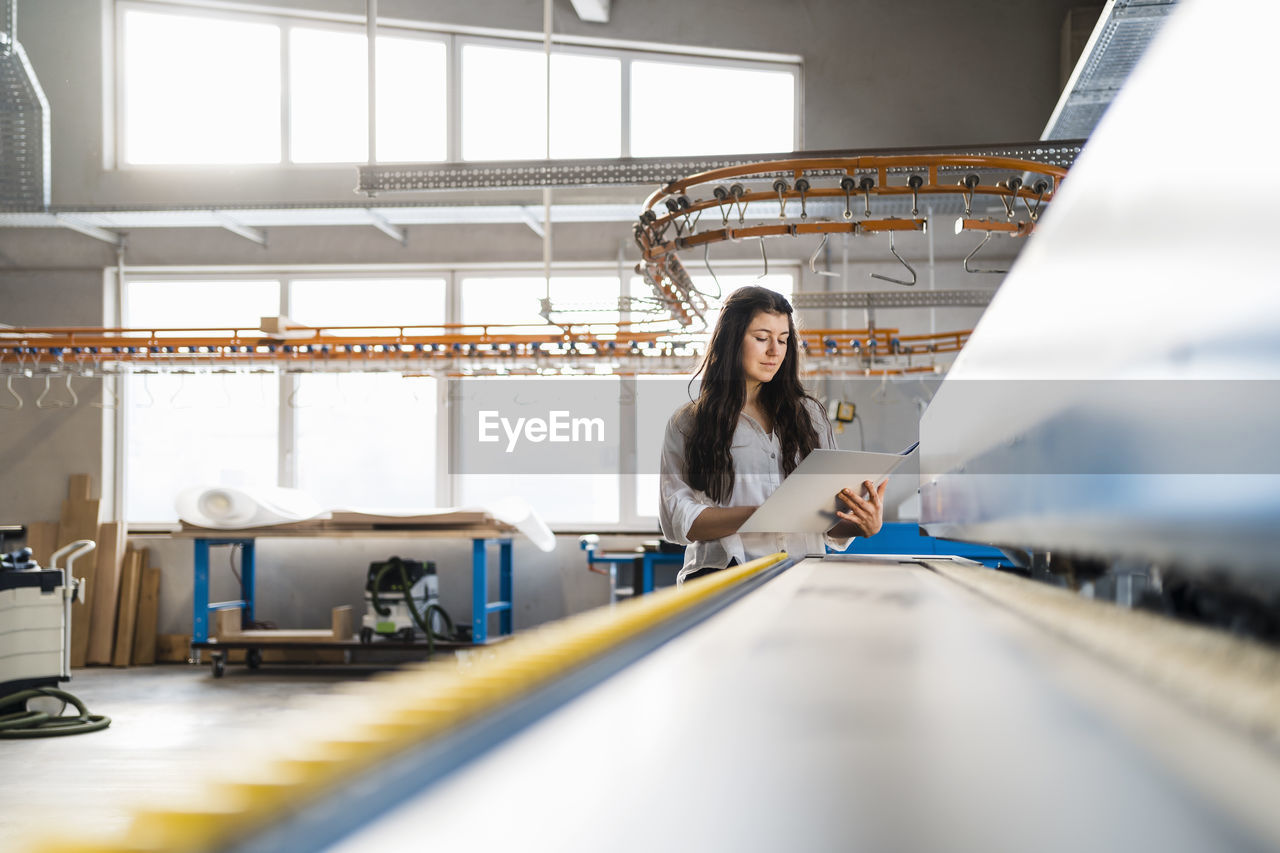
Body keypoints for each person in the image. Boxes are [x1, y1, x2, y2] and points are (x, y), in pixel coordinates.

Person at [659, 285, 885, 584]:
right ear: (731, 340)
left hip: (802, 578)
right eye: (762, 338)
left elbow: (826, 524)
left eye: (783, 340)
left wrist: (862, 523)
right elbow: (676, 519)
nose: (774, 351)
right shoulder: (688, 422)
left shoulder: (810, 416)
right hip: (720, 579)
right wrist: (762, 514)